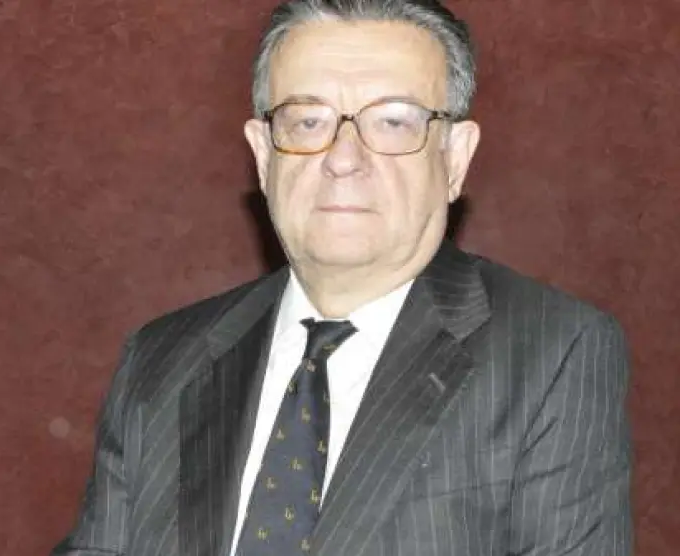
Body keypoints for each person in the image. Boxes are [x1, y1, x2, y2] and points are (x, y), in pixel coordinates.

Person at [51, 1, 633, 554]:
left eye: (393, 122)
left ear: (455, 159)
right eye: (308, 121)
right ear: (263, 155)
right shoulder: (160, 360)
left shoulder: (552, 353)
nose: (344, 158)